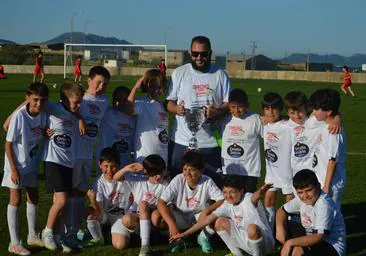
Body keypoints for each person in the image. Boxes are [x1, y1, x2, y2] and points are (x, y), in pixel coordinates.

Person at [166, 35, 231, 178]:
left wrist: (216, 111)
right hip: (181, 141)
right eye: (195, 54)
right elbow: (168, 103)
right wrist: (176, 109)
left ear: (210, 53)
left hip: (210, 142)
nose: (199, 58)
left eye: (203, 54)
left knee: (212, 190)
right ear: (190, 53)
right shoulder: (179, 73)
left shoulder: (220, 75)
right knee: (178, 187)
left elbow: (228, 104)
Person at [170, 175, 275, 256]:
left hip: (264, 244)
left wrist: (261, 191)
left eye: (232, 192)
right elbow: (206, 220)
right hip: (245, 241)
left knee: (252, 228)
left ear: (241, 191)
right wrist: (184, 234)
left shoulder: (248, 197)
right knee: (219, 222)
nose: (228, 196)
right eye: (225, 192)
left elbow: (255, 197)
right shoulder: (226, 204)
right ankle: (237, 254)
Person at [2, 83, 49, 255]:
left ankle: (31, 235)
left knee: (33, 195)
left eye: (42, 100)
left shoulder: (43, 114)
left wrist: (45, 133)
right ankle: (14, 243)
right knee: (15, 199)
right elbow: (8, 145)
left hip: (31, 163)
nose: (38, 104)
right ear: (27, 99)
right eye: (35, 100)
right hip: (15, 164)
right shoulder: (19, 117)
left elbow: (41, 130)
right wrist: (13, 170)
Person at [67, 66, 110, 246]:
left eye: (105, 84)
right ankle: (66, 230)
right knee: (69, 193)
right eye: (98, 82)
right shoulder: (80, 98)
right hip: (73, 153)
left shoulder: (105, 101)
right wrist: (79, 118)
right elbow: (63, 110)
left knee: (80, 193)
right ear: (89, 80)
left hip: (88, 154)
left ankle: (75, 228)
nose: (100, 87)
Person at [41, 80, 85, 252]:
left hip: (68, 162)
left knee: (61, 203)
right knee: (61, 201)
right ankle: (47, 232)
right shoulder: (53, 107)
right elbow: (34, 105)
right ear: (65, 99)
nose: (79, 105)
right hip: (54, 160)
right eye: (76, 102)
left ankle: (59, 237)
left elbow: (77, 113)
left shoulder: (74, 113)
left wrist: (80, 117)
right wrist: (43, 131)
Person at [156, 150, 224, 253]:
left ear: (201, 170)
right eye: (184, 169)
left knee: (217, 216)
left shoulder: (207, 181)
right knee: (158, 217)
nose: (187, 173)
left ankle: (203, 237)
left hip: (199, 217)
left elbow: (222, 200)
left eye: (192, 169)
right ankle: (176, 238)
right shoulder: (178, 179)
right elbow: (161, 202)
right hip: (180, 215)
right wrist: (171, 224)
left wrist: (207, 211)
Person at [276, 169, 346, 256]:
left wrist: (290, 243)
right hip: (312, 236)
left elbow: (319, 236)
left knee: (296, 251)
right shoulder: (301, 198)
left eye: (309, 190)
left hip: (331, 245)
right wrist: (280, 229)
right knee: (285, 221)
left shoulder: (324, 204)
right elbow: (282, 210)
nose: (305, 196)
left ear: (318, 186)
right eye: (300, 192)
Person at [113, 154, 169, 256]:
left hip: (153, 219)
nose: (159, 176)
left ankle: (145, 246)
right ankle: (147, 239)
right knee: (125, 223)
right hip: (136, 217)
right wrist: (127, 168)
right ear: (147, 172)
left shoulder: (165, 185)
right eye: (155, 174)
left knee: (143, 204)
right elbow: (115, 178)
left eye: (161, 172)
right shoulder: (138, 180)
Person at [85, 147, 132, 249]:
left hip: (121, 217)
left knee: (120, 245)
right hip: (105, 215)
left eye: (113, 166)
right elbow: (98, 210)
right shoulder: (98, 182)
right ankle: (99, 238)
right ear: (99, 165)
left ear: (119, 165)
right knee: (90, 214)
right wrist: (92, 199)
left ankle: (107, 231)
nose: (109, 170)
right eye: (106, 166)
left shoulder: (127, 177)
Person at [262, 92, 294, 231]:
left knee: (290, 203)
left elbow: (308, 116)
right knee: (268, 200)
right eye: (267, 108)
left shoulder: (288, 125)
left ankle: (289, 230)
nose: (270, 112)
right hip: (271, 172)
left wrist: (337, 118)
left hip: (287, 172)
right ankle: (270, 230)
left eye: (274, 108)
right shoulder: (263, 124)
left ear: (280, 109)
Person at [220, 88, 262, 193]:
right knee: (231, 200)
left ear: (247, 105)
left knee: (248, 202)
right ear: (228, 105)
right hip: (229, 169)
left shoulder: (255, 119)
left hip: (250, 171)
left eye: (240, 107)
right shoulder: (224, 120)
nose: (237, 110)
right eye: (233, 107)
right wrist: (222, 146)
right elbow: (217, 136)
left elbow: (268, 135)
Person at [309, 89, 346, 208]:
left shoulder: (333, 133)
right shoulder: (324, 123)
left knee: (331, 216)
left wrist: (326, 186)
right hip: (321, 180)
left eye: (316, 109)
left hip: (331, 184)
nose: (313, 113)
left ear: (328, 111)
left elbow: (332, 161)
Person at [128, 69, 169, 164]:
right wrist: (135, 88)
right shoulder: (142, 102)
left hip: (162, 153)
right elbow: (128, 110)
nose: (156, 90)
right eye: (152, 86)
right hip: (145, 154)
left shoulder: (163, 105)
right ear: (146, 86)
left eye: (159, 87)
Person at [95, 86, 135, 176]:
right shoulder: (106, 113)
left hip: (125, 164)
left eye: (124, 99)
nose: (119, 103)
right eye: (117, 99)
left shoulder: (135, 118)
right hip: (107, 164)